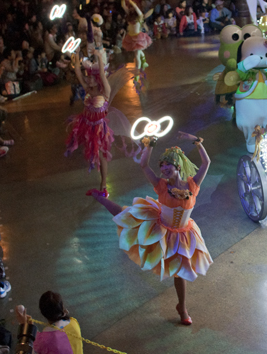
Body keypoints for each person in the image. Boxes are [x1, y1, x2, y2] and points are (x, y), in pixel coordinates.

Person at [89, 132, 213, 325]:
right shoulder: (160, 186)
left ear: (178, 166)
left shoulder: (192, 184)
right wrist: (150, 144)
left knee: (180, 273)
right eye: (161, 166)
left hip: (183, 233)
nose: (163, 169)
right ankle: (100, 199)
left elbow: (206, 163)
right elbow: (143, 165)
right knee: (126, 216)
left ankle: (182, 307)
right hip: (161, 227)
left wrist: (195, 140)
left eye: (167, 165)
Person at [65, 51, 113, 196]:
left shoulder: (105, 91)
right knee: (91, 152)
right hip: (86, 125)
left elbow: (104, 76)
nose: (88, 80)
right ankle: (101, 181)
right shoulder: (88, 89)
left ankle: (103, 183)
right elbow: (78, 74)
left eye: (91, 78)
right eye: (88, 77)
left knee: (101, 153)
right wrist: (77, 57)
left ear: (98, 78)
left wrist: (99, 57)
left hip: (99, 127)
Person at [15, 291, 83, 354]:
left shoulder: (43, 340)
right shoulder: (73, 322)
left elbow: (32, 347)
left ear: (43, 313)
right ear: (62, 307)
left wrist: (25, 327)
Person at [121, 0, 153, 75]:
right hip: (131, 37)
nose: (131, 8)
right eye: (130, 7)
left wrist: (130, 0)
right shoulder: (129, 15)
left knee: (136, 55)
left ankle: (137, 73)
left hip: (138, 38)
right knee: (138, 51)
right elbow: (123, 6)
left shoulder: (140, 16)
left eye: (132, 7)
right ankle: (144, 60)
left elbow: (135, 7)